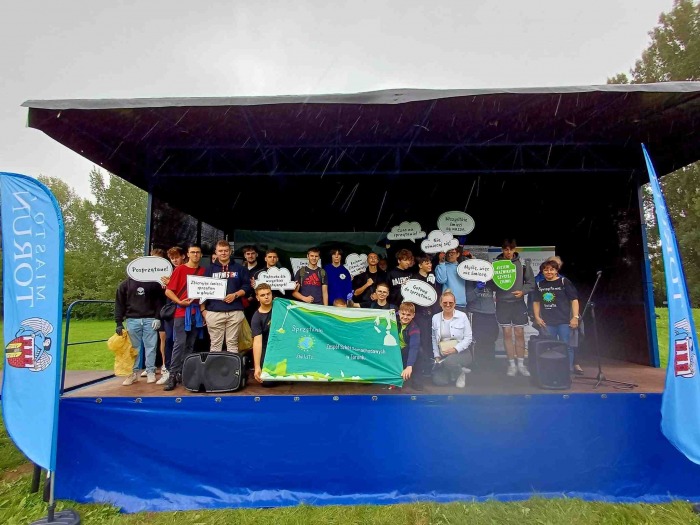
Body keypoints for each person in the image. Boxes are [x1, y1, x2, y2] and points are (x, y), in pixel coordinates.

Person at [163, 244, 206, 391]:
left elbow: (206, 293)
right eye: (192, 252)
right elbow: (168, 291)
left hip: (196, 313)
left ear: (201, 255)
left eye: (198, 252)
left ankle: (184, 373)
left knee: (190, 345)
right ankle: (172, 375)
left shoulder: (203, 271)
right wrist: (179, 301)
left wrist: (203, 311)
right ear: (187, 254)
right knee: (179, 344)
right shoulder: (180, 269)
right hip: (181, 313)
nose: (195, 255)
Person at [490, 239, 534, 377]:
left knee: (519, 333)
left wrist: (523, 291)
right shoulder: (495, 264)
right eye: (506, 249)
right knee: (507, 333)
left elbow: (531, 283)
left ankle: (521, 364)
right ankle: (511, 365)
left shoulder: (523, 263)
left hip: (518, 303)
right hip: (503, 304)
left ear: (515, 249)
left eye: (511, 249)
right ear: (502, 250)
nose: (508, 252)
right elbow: (492, 284)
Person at [201, 240, 251, 353]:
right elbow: (202, 291)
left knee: (232, 344)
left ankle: (232, 366)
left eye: (226, 251)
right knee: (215, 345)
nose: (223, 253)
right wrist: (203, 310)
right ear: (216, 252)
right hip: (214, 311)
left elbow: (247, 286)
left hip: (235, 311)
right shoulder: (209, 270)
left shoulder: (240, 269)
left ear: (230, 251)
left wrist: (235, 295)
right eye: (220, 251)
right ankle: (215, 365)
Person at [115, 273, 164, 385]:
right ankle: (132, 374)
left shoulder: (153, 283)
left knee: (151, 346)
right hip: (132, 320)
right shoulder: (125, 285)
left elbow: (159, 301)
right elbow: (119, 303)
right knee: (133, 348)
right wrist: (119, 322)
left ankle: (150, 371)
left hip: (150, 319)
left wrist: (157, 317)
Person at [532, 259, 581, 372]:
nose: (549, 272)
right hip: (547, 322)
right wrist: (537, 317)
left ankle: (567, 371)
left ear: (556, 271)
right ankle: (553, 371)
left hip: (564, 321)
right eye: (546, 270)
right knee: (550, 347)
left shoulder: (564, 281)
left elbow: (574, 300)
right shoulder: (539, 284)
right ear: (542, 272)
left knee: (566, 346)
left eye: (551, 269)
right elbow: (536, 302)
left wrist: (575, 317)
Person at [156, 246, 186, 385]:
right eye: (172, 258)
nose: (174, 260)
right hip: (170, 312)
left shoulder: (188, 270)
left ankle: (182, 371)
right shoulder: (166, 273)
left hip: (185, 311)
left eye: (176, 257)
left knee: (183, 342)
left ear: (183, 256)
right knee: (169, 340)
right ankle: (168, 370)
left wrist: (171, 284)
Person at [431, 290, 473, 388]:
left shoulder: (462, 316)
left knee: (450, 361)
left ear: (455, 303)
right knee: (439, 381)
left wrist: (455, 349)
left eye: (451, 302)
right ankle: (454, 371)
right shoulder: (435, 318)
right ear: (440, 303)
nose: (448, 305)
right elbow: (434, 339)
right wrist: (437, 356)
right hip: (444, 355)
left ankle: (460, 374)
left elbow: (468, 338)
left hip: (462, 353)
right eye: (445, 302)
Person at [412, 253, 439, 376]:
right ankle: (421, 368)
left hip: (431, 314)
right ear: (420, 265)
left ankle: (430, 367)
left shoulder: (432, 277)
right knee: (422, 341)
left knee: (431, 340)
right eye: (426, 263)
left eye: (430, 262)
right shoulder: (414, 279)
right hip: (419, 315)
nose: (430, 265)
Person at [252, 282, 279, 387]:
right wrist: (257, 367)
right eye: (262, 295)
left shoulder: (281, 307)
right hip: (267, 349)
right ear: (257, 298)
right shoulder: (256, 317)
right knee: (267, 382)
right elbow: (257, 343)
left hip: (283, 346)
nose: (266, 297)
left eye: (268, 294)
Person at [397, 302, 423, 390]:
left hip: (405, 354)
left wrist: (409, 366)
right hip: (393, 352)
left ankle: (416, 380)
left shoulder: (414, 328)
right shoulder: (393, 321)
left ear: (413, 315)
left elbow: (414, 347)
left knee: (419, 351)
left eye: (408, 315)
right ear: (399, 313)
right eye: (403, 314)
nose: (405, 317)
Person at [435, 247, 468, 313]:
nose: (450, 255)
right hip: (447, 303)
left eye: (452, 253)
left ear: (458, 254)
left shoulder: (464, 267)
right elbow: (442, 280)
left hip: (461, 304)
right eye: (448, 253)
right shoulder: (441, 266)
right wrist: (442, 263)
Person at [241, 245, 262, 321]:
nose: (250, 256)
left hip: (257, 304)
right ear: (245, 255)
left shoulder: (262, 271)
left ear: (257, 254)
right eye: (248, 254)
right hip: (242, 304)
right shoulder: (241, 269)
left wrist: (252, 296)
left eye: (252, 253)